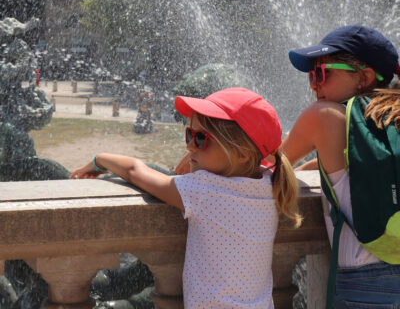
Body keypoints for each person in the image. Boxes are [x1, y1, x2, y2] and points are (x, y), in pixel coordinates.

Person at [70, 87, 302, 309]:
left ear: (242, 153)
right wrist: (199, 153)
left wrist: (98, 160)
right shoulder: (270, 183)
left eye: (201, 139)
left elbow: (134, 171)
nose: (191, 146)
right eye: (189, 135)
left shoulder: (203, 190)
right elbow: (261, 157)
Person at [282, 25, 400, 308]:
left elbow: (268, 166)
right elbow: (355, 166)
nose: (313, 85)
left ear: (364, 78)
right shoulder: (390, 121)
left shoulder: (323, 116)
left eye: (321, 73)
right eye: (311, 76)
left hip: (367, 285)